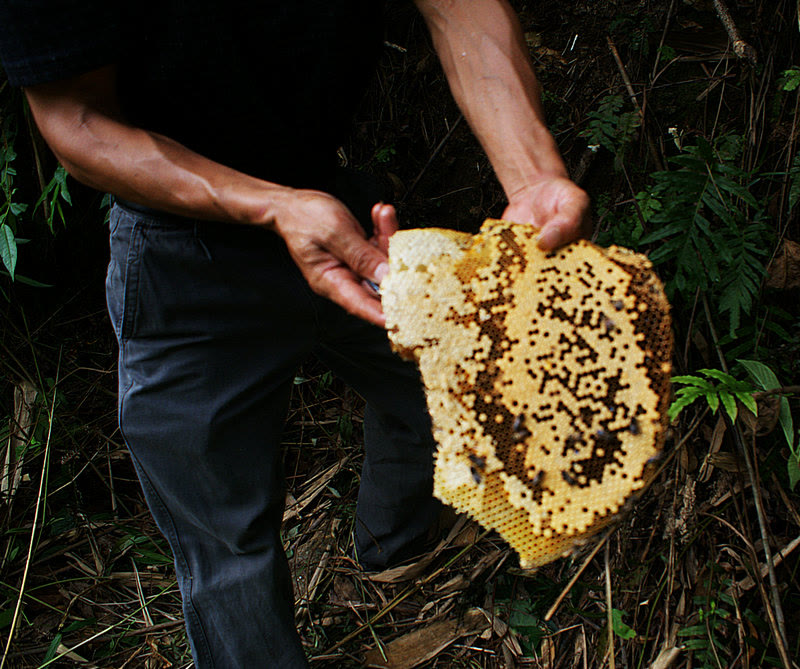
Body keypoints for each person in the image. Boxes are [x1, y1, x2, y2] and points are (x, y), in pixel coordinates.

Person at [0, 0, 589, 666]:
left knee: (447, 379)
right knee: (225, 548)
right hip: (181, 250)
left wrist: (532, 171)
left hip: (341, 209)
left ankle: (394, 558)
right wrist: (271, 207)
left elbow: (459, 9)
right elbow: (73, 118)